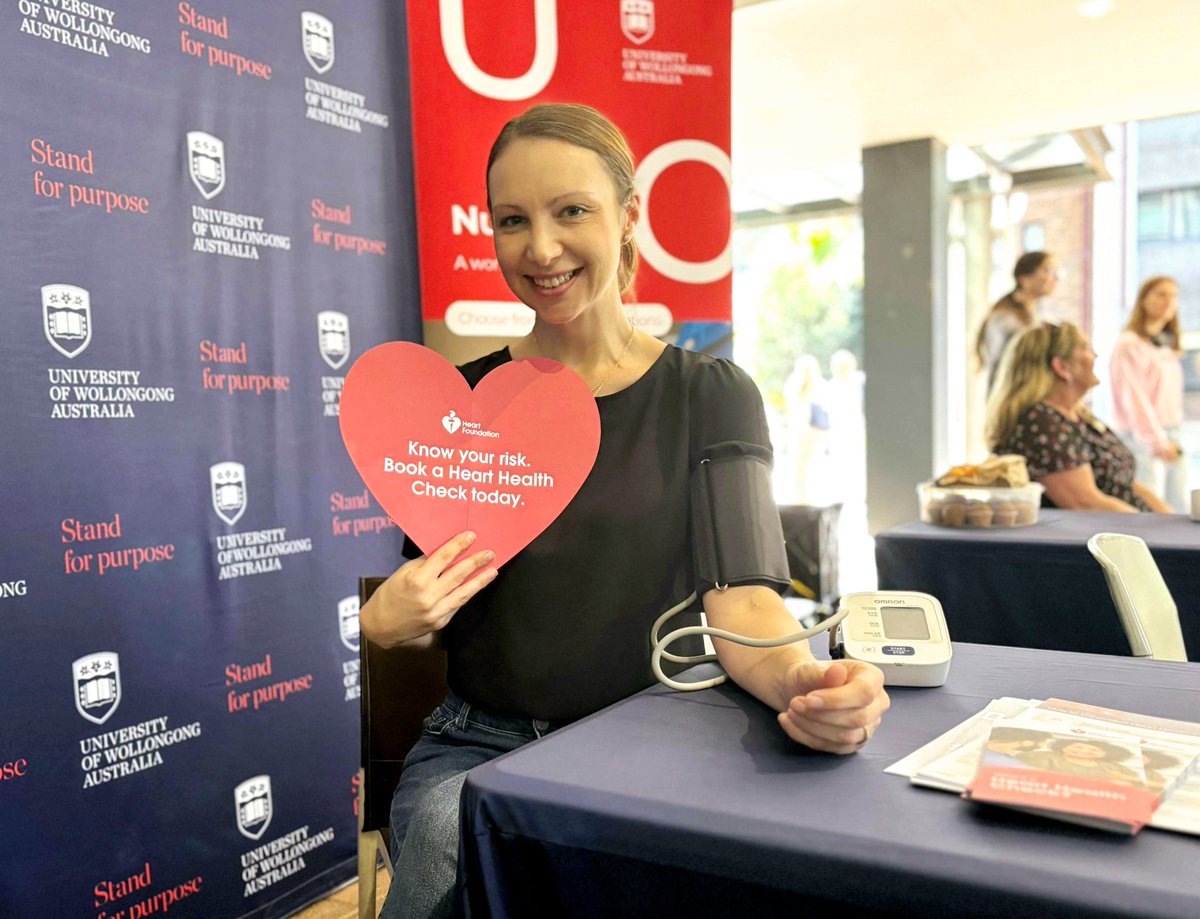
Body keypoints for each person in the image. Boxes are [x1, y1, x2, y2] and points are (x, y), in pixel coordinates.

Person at [361, 103, 891, 919]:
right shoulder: (463, 402)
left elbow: (743, 602)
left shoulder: (711, 396)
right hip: (479, 742)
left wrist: (805, 681)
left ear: (628, 217)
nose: (541, 248)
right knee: (443, 830)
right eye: (513, 220)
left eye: (571, 210)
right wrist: (388, 619)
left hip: (648, 737)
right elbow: (425, 600)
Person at [985, 322, 1171, 512]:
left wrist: (1168, 522)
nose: (1095, 355)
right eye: (1085, 348)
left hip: (1134, 528)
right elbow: (1085, 503)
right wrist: (1152, 533)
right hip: (1105, 536)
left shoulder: (1079, 417)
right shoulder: (1040, 423)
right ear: (1062, 367)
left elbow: (1127, 483)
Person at [1110, 276, 1188, 512]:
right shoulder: (1129, 345)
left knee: (1179, 506)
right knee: (1150, 508)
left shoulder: (1166, 346)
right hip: (1143, 438)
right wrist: (1155, 440)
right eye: (1161, 294)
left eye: (1173, 296)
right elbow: (1134, 398)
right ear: (1143, 300)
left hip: (1171, 432)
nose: (1168, 301)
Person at [974, 251, 1061, 391]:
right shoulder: (1004, 319)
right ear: (1025, 278)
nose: (1056, 277)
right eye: (1048, 270)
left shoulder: (1035, 316)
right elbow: (1003, 369)